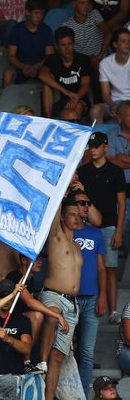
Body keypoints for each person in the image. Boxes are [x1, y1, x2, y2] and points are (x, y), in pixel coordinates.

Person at [36, 199, 83, 400]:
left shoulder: (77, 246)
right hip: (52, 294)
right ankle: (41, 361)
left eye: (78, 214)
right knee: (53, 316)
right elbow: (53, 210)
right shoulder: (56, 236)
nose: (76, 217)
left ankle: (49, 397)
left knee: (59, 356)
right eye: (71, 214)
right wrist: (62, 194)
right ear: (63, 217)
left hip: (72, 303)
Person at [78, 131, 126, 324]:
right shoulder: (83, 171)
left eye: (97, 146)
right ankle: (92, 303)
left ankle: (113, 310)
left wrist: (119, 230)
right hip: (86, 226)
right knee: (88, 266)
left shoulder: (115, 171)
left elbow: (121, 203)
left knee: (110, 267)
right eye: (91, 146)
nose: (93, 149)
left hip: (108, 227)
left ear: (106, 147)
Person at [71, 189, 108, 392]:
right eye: (80, 203)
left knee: (86, 354)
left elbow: (102, 268)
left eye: (87, 203)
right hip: (69, 298)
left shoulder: (95, 233)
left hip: (92, 299)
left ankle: (82, 395)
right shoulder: (65, 231)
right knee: (63, 353)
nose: (85, 207)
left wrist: (102, 295)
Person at [39, 26, 92, 117]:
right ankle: (47, 119)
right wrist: (65, 91)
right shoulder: (52, 59)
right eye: (63, 45)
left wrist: (75, 99)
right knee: (46, 84)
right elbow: (42, 75)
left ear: (73, 43)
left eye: (69, 44)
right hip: (59, 99)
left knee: (77, 108)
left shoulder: (83, 59)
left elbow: (85, 85)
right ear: (57, 46)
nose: (67, 48)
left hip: (78, 98)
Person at [3, 0, 54, 86]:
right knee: (8, 74)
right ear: (27, 12)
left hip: (40, 67)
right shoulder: (16, 30)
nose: (39, 17)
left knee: (50, 75)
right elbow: (11, 56)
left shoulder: (46, 30)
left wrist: (35, 67)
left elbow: (49, 56)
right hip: (21, 66)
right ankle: (8, 99)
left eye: (42, 13)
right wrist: (23, 67)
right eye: (36, 13)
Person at [94, 29, 130, 120]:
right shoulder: (105, 63)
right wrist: (112, 105)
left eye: (129, 41)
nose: (128, 44)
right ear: (115, 45)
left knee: (125, 112)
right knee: (95, 110)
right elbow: (105, 93)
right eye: (123, 41)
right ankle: (100, 134)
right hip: (116, 102)